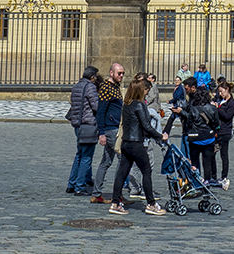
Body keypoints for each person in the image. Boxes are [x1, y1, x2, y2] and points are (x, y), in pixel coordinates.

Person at [108, 78, 166, 216]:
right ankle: (151, 204)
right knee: (146, 171)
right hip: (136, 144)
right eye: (146, 90)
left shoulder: (127, 104)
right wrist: (160, 136)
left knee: (122, 173)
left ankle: (115, 203)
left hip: (126, 143)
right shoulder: (140, 105)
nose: (147, 93)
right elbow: (146, 126)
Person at [164, 80, 219, 185]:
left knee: (194, 163)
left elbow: (189, 123)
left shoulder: (193, 108)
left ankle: (196, 182)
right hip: (208, 137)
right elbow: (216, 123)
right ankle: (207, 184)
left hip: (195, 138)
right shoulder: (212, 108)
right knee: (206, 163)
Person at [89, 62, 125, 205]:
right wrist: (101, 132)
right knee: (123, 160)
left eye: (122, 73)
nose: (121, 76)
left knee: (106, 161)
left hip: (115, 127)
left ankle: (97, 194)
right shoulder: (105, 88)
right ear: (111, 73)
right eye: (119, 73)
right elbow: (101, 111)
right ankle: (118, 195)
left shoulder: (115, 87)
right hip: (111, 129)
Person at [65, 65, 100, 196]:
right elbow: (95, 106)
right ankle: (80, 186)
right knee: (86, 157)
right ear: (92, 77)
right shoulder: (90, 86)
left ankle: (71, 184)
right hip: (88, 124)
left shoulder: (76, 86)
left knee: (79, 154)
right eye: (96, 77)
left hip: (77, 124)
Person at [213, 81, 234, 189]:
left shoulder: (232, 103)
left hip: (226, 131)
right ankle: (213, 175)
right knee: (212, 153)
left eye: (222, 92)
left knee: (224, 155)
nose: (220, 94)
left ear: (227, 90)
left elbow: (227, 117)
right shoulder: (220, 100)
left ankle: (224, 176)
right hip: (217, 131)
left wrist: (218, 108)